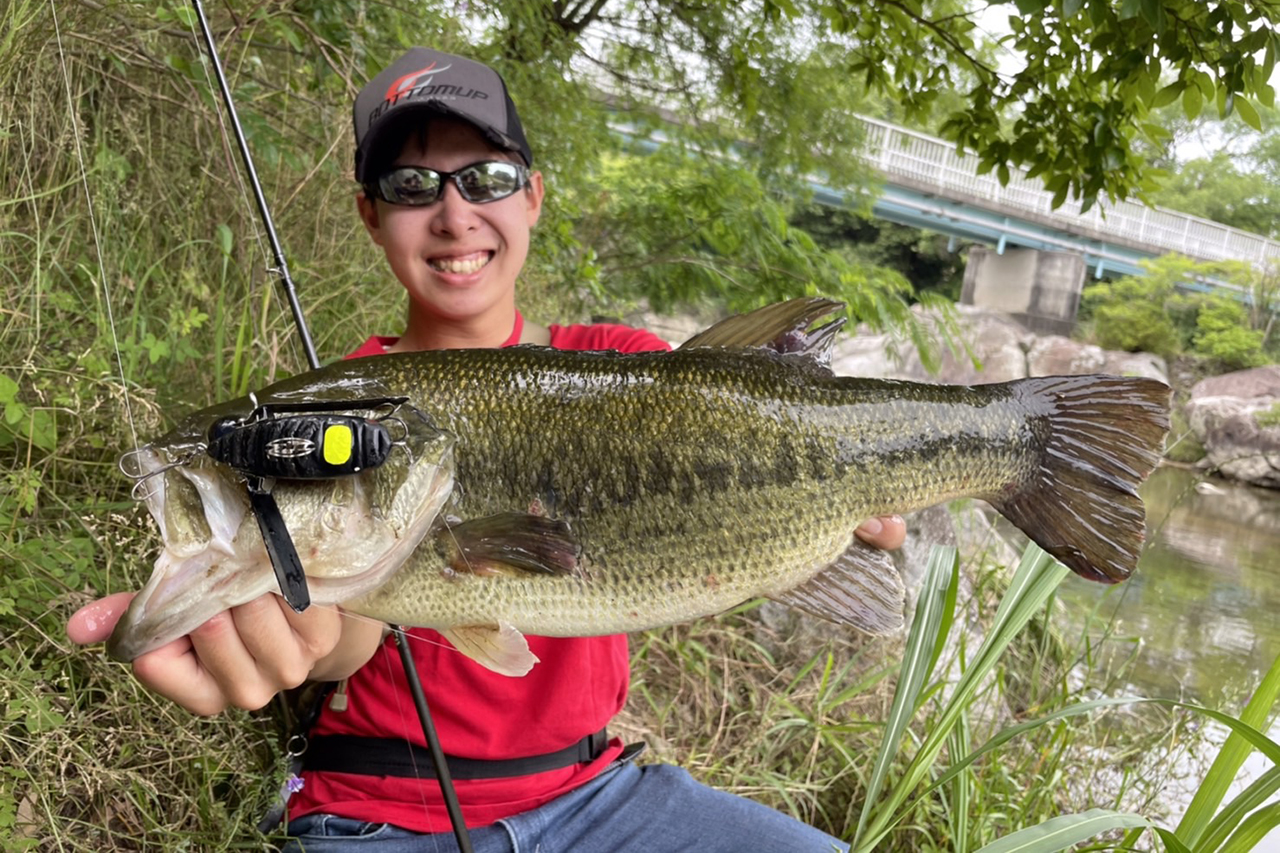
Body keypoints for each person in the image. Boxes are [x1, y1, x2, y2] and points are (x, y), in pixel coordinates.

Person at [67, 47, 906, 852]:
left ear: (533, 196)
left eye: (487, 179)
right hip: (376, 815)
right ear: (370, 211)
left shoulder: (627, 362)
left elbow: (752, 489)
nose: (455, 212)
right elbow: (351, 631)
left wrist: (839, 499)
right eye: (411, 184)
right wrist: (307, 631)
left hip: (599, 796)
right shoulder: (339, 412)